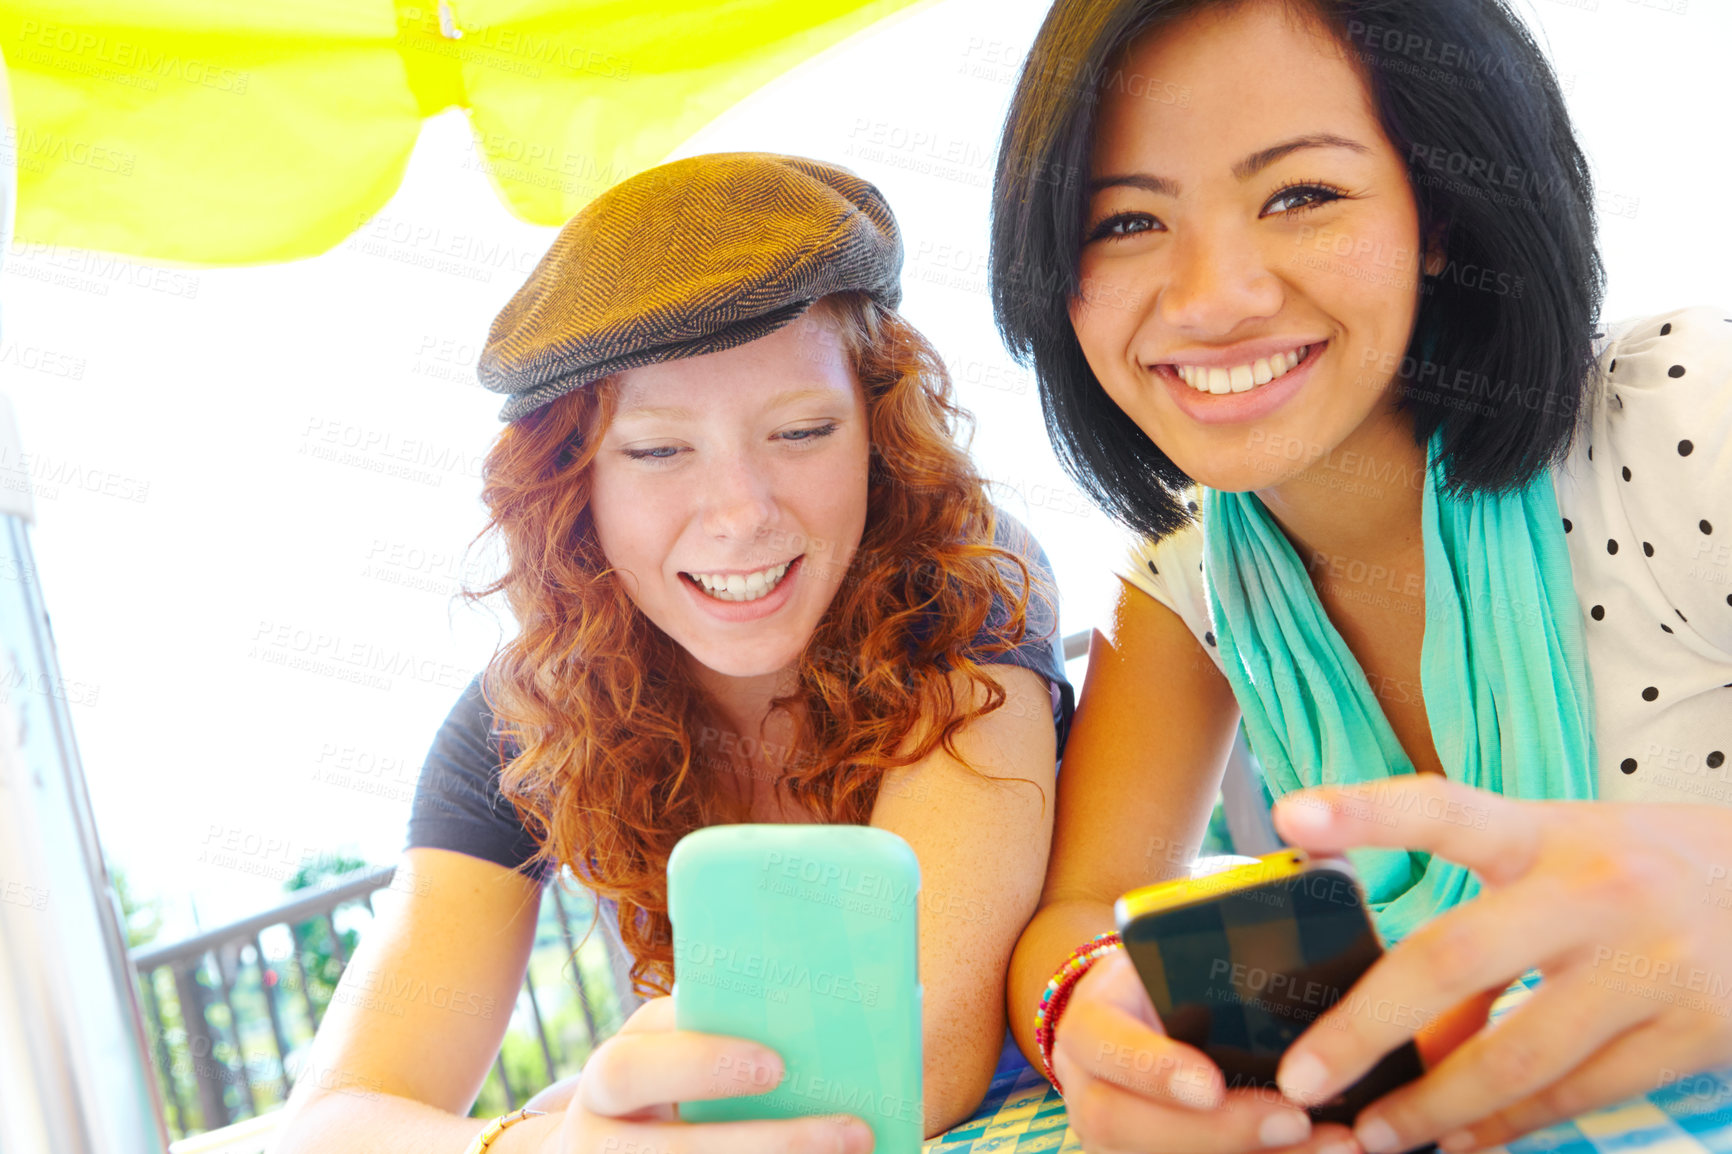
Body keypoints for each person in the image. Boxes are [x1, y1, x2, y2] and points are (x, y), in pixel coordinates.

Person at [986, 2, 1732, 1154]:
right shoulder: (1185, 584)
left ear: (1439, 217)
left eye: (1300, 196)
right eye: (1127, 219)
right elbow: (1079, 911)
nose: (1209, 298)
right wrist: (1098, 1018)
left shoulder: (1690, 417)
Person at [272, 152, 1075, 1154]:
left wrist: (593, 1103)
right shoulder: (529, 706)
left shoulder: (966, 582)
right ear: (573, 487)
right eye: (656, 449)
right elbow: (334, 1119)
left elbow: (909, 1062)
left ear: (878, 436)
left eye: (801, 429)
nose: (741, 512)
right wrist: (536, 1144)